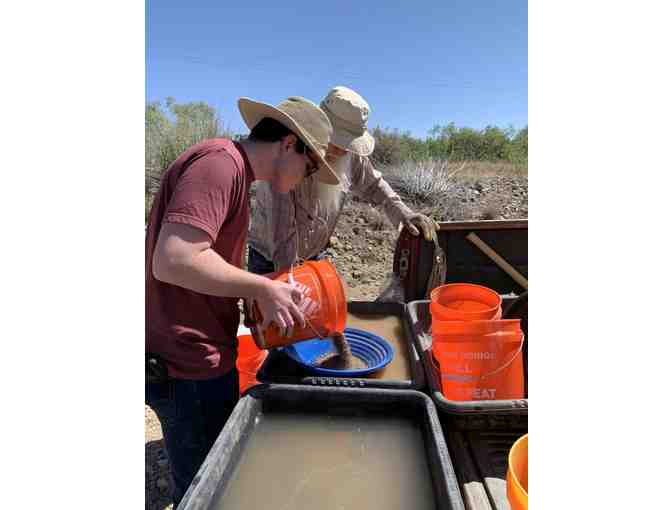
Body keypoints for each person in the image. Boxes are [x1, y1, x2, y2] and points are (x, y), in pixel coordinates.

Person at [145, 96, 339, 507]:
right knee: (208, 489)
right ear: (289, 144)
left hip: (196, 352)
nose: (307, 177)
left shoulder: (233, 170)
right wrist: (261, 289)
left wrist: (260, 292)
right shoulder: (220, 165)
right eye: (309, 166)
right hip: (186, 361)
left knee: (214, 475)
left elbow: (201, 268)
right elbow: (174, 259)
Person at [248, 86, 439, 275]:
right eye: (338, 141)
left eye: (348, 143)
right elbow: (281, 231)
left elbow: (374, 185)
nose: (343, 150)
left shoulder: (351, 156)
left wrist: (404, 214)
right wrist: (289, 280)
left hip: (313, 256)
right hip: (269, 258)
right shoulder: (290, 153)